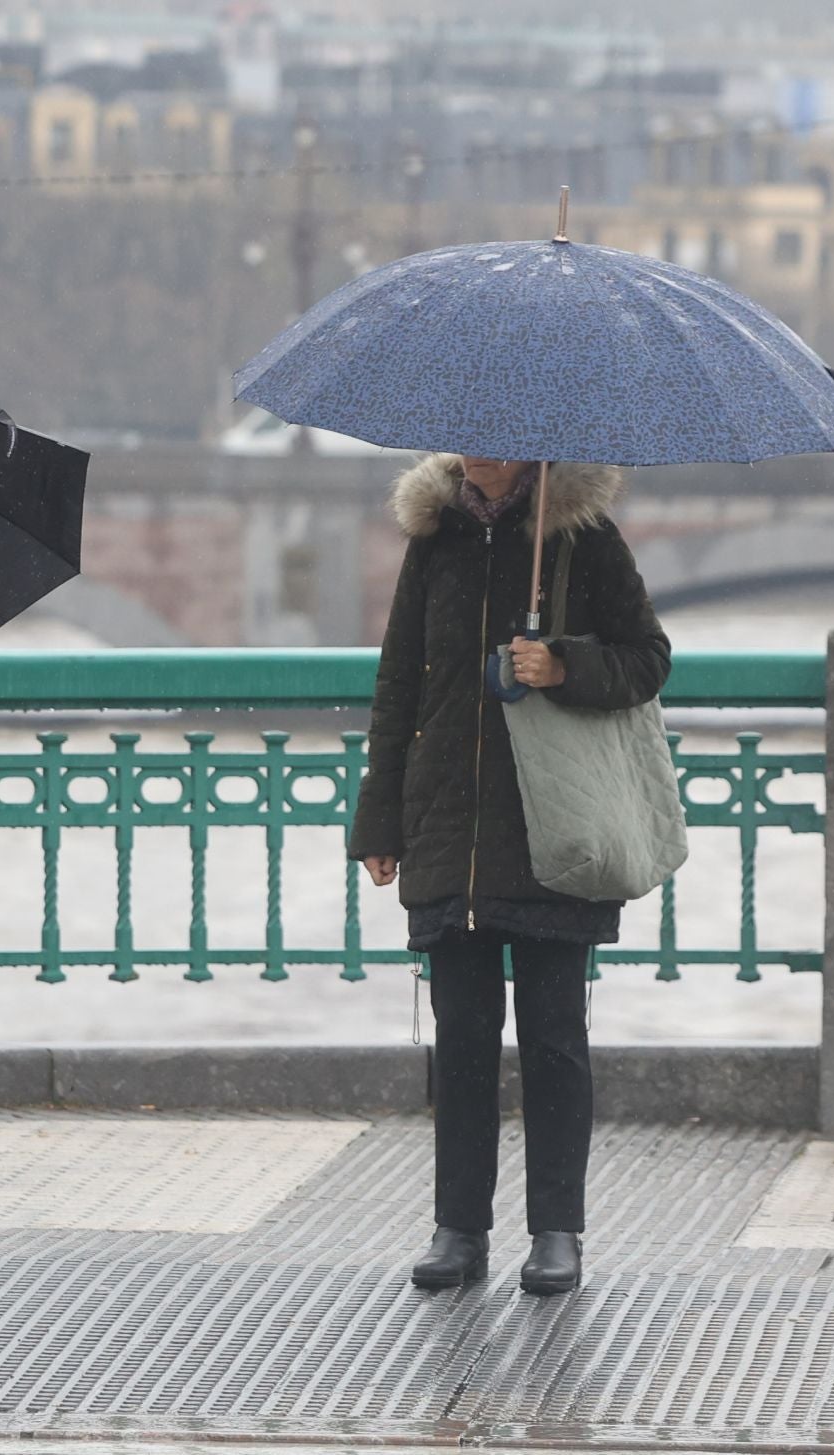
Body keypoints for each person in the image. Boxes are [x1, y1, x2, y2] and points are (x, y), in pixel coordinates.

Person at [350, 453, 669, 1296]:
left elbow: (648, 660)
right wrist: (379, 818)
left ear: (531, 446)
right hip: (449, 827)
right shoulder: (436, 540)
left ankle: (556, 1230)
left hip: (550, 827)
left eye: (496, 438)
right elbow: (398, 683)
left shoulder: (581, 536)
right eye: (467, 437)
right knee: (460, 1040)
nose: (480, 451)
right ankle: (459, 1228)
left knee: (554, 1038)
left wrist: (563, 666)